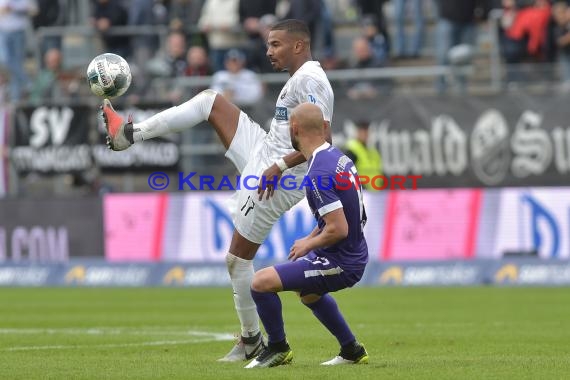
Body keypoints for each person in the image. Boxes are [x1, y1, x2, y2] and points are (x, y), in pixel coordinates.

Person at [101, 19, 334, 362]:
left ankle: (253, 339)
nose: (268, 51)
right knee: (211, 101)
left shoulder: (311, 80)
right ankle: (128, 135)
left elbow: (322, 140)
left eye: (276, 45)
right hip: (264, 151)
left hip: (278, 178)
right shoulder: (298, 79)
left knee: (237, 260)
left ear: (298, 46)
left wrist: (279, 166)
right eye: (268, 44)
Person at [245, 103, 369, 368]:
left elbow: (338, 228)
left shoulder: (317, 174)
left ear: (294, 128)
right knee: (309, 293)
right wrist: (314, 237)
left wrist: (308, 243)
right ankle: (352, 350)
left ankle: (278, 348)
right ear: (324, 128)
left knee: (260, 283)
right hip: (350, 252)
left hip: (342, 262)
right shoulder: (337, 157)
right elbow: (338, 217)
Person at [343, 120, 382, 191]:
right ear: (357, 132)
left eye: (366, 131)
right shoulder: (352, 149)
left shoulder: (373, 151)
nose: (365, 134)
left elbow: (378, 171)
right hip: (361, 192)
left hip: (375, 193)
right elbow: (346, 173)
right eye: (362, 131)